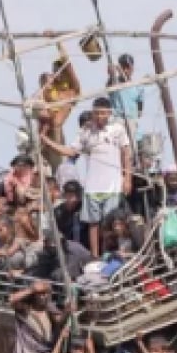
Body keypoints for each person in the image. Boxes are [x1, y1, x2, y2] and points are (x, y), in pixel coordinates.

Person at [41, 96, 132, 258]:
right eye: (97, 113)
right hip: (92, 186)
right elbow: (71, 151)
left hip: (112, 185)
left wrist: (127, 178)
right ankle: (95, 256)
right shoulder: (86, 131)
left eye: (104, 113)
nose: (100, 117)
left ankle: (109, 253)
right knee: (93, 223)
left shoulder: (117, 129)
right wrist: (48, 142)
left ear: (109, 113)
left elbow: (126, 154)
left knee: (109, 222)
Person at [108, 53, 145, 134]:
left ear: (132, 68)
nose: (125, 70)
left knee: (131, 144)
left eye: (128, 67)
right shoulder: (114, 82)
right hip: (116, 120)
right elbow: (109, 85)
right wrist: (111, 74)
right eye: (123, 67)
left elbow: (140, 108)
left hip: (131, 121)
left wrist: (135, 117)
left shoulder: (138, 86)